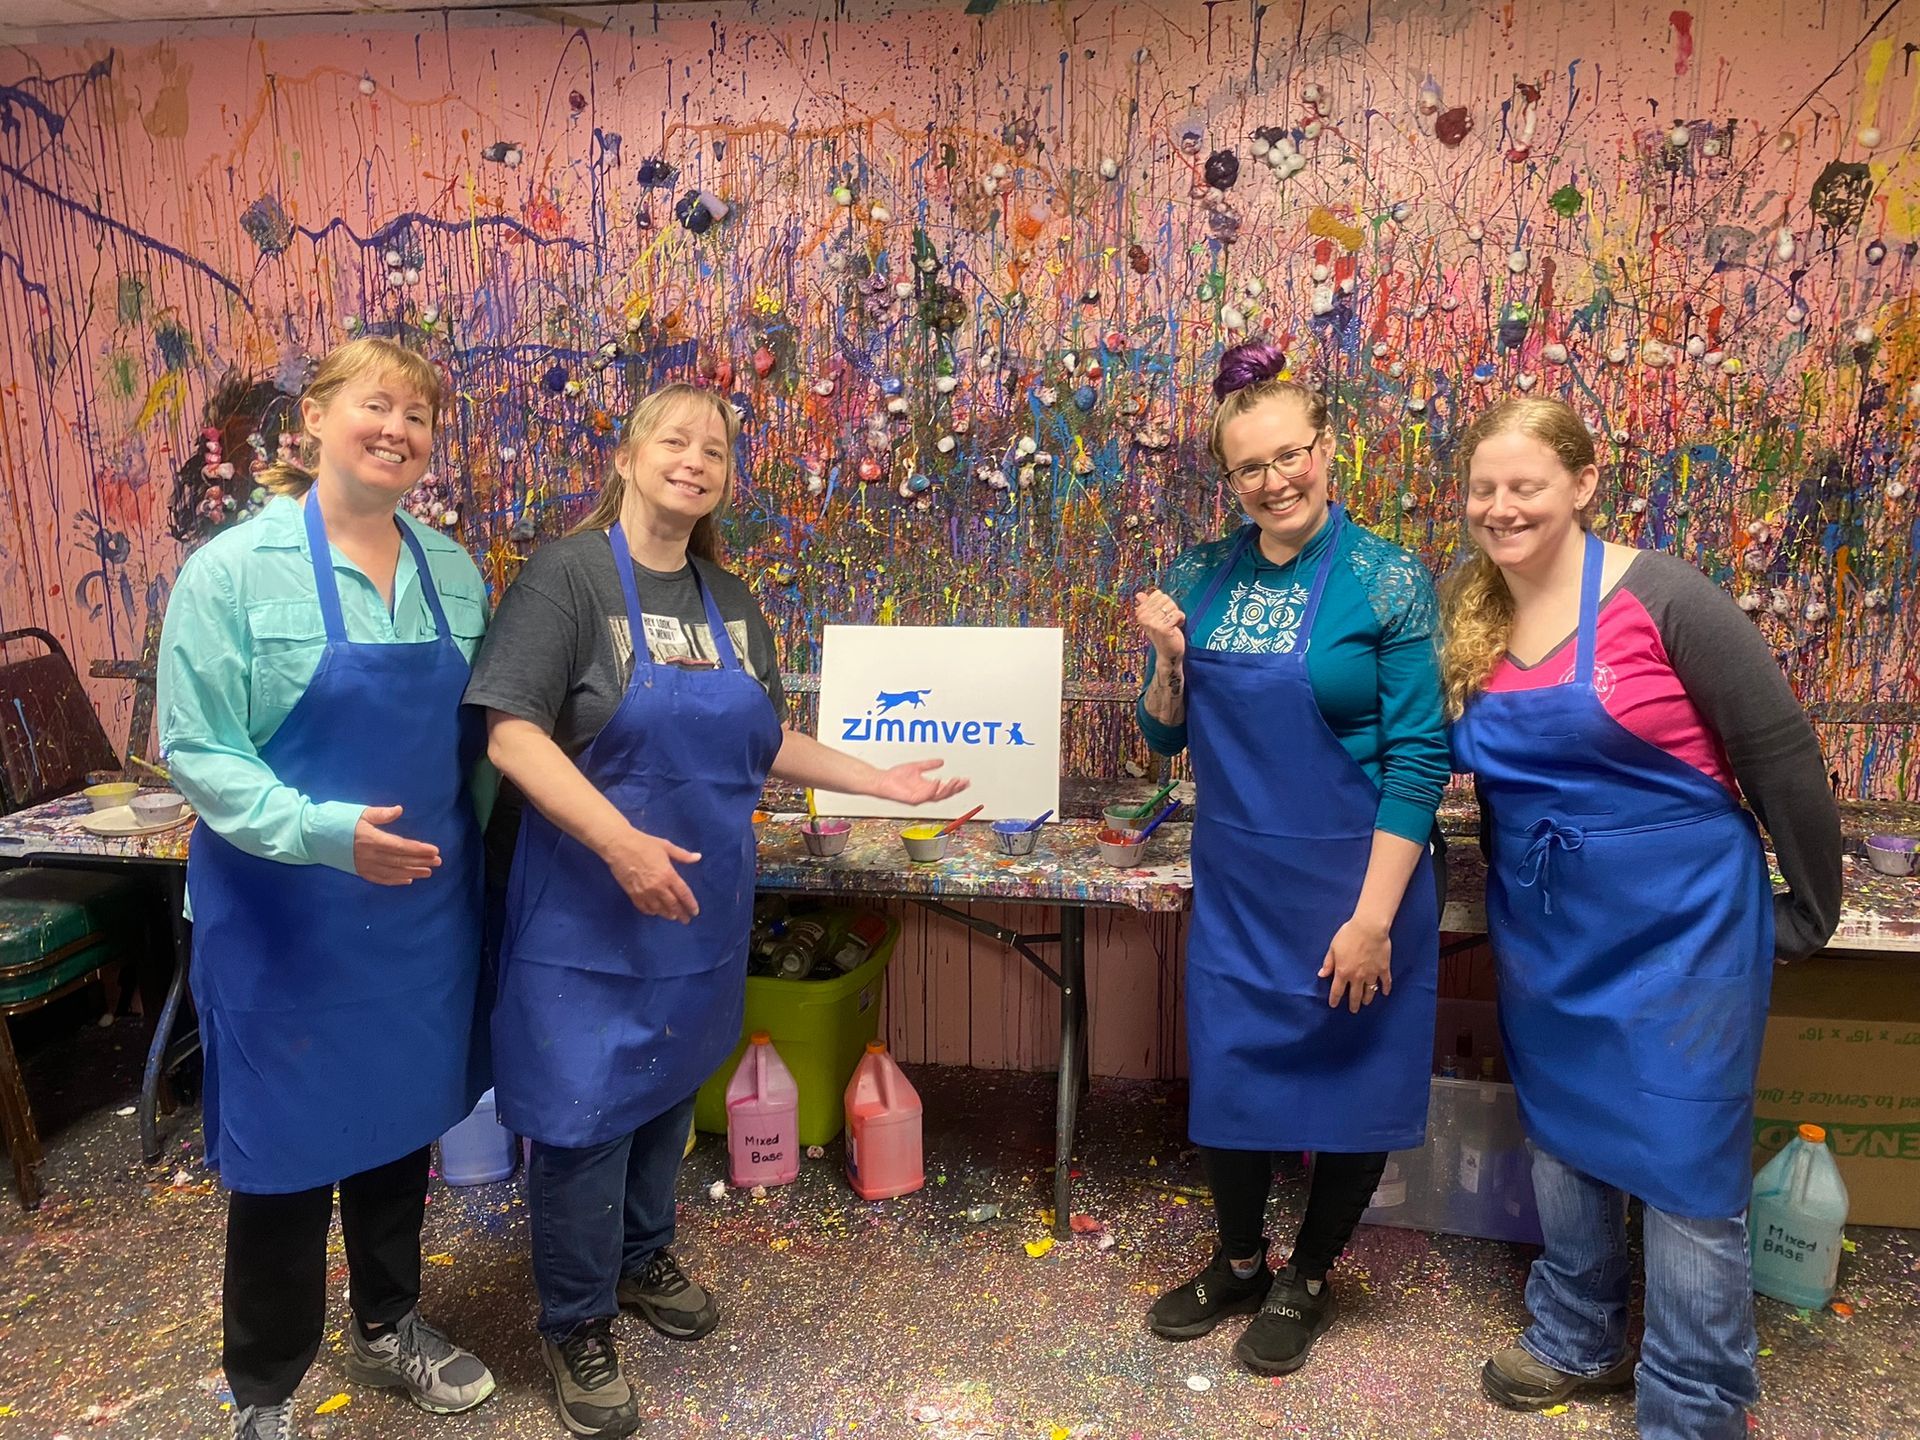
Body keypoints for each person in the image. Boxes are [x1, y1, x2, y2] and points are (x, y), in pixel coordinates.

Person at [465, 381, 967, 1439]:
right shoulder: (566, 578)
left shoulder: (726, 598)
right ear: (630, 455)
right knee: (578, 1119)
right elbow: (510, 733)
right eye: (674, 439)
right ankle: (575, 1320)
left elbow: (762, 741)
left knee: (660, 1096)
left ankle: (644, 1258)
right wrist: (618, 843)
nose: (695, 458)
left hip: (696, 908)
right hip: (585, 915)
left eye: (716, 448)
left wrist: (882, 782)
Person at [1441, 396, 1842, 1439]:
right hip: (1547, 931)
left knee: (1685, 1166)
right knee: (1564, 1143)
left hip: (1684, 934)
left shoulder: (1663, 597)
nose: (1500, 507)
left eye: (1523, 485)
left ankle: (1694, 1407)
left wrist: (1808, 906)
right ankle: (1576, 1334)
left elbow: (1780, 752)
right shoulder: (1468, 608)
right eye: (1485, 488)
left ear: (1581, 485)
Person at [158, 337, 497, 1440]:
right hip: (284, 925)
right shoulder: (230, 573)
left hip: (416, 922)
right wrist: (319, 832)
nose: (397, 428)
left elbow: (485, 747)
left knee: (400, 1128)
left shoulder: (454, 572)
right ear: (311, 419)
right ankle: (264, 1389)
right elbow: (199, 752)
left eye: (419, 415)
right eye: (375, 404)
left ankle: (391, 1321)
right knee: (285, 1159)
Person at [1131, 341, 1449, 1376]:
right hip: (1240, 881)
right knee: (1232, 1077)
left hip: (1359, 880)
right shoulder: (1199, 574)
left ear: (1328, 450)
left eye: (1290, 456)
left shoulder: (1387, 577)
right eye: (1249, 468)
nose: (1274, 482)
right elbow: (1165, 734)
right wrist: (1171, 662)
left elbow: (1418, 761)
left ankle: (1309, 1273)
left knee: (1352, 1079)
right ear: (1228, 479)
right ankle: (1238, 1261)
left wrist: (1371, 920)